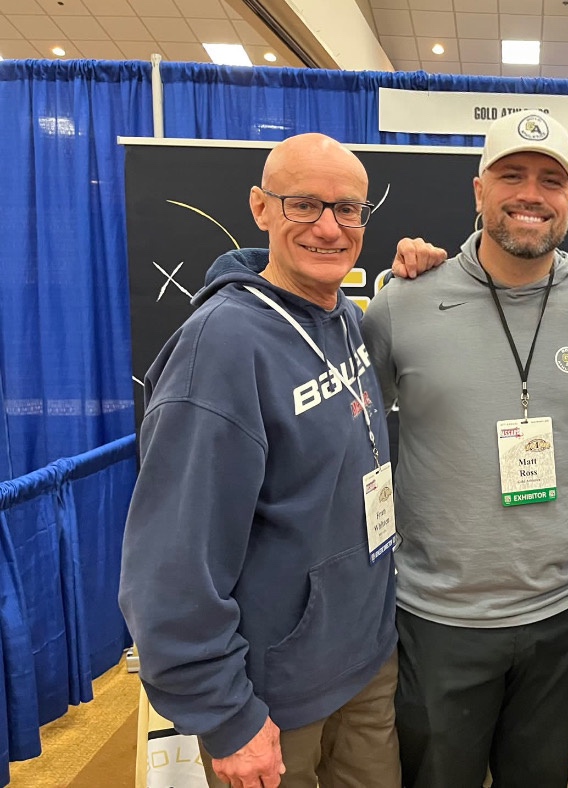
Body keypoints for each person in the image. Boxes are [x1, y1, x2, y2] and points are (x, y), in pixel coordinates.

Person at [120, 133, 413, 788]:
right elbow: (172, 561)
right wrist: (226, 715)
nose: (328, 227)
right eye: (303, 205)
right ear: (261, 208)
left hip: (364, 663)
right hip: (273, 698)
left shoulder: (345, 321)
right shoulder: (218, 347)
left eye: (346, 209)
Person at [361, 111, 568, 787]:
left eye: (550, 180)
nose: (530, 194)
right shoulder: (401, 304)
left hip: (565, 615)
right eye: (511, 175)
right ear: (477, 190)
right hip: (437, 618)